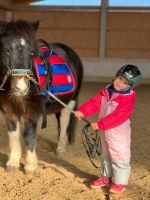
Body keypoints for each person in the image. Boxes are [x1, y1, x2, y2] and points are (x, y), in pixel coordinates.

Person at [75, 64, 142, 193]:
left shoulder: (127, 98)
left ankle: (120, 182)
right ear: (115, 76)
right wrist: (83, 111)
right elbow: (95, 103)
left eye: (125, 82)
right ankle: (106, 177)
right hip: (105, 131)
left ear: (130, 85)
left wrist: (101, 124)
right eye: (119, 78)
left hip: (118, 133)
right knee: (106, 155)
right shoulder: (107, 91)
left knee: (119, 156)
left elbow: (119, 116)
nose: (120, 83)